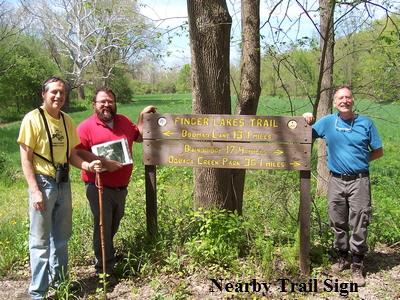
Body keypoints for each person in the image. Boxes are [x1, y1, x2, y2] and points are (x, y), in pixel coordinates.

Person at [17, 76, 102, 299]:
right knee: (40, 240)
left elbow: (72, 155)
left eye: (62, 92)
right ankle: (38, 292)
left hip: (63, 183)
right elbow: (26, 159)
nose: (58, 96)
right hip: (43, 183)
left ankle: (60, 283)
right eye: (54, 92)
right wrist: (35, 190)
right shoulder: (32, 119)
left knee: (62, 238)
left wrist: (87, 165)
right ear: (43, 94)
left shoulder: (66, 120)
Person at [75, 87, 156, 286]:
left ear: (114, 103)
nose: (106, 105)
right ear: (94, 105)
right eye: (102, 101)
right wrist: (104, 163)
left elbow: (138, 136)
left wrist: (141, 116)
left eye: (109, 101)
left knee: (113, 223)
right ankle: (104, 270)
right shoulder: (86, 127)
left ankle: (105, 254)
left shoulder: (123, 121)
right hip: (98, 185)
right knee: (103, 226)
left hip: (121, 186)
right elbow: (78, 152)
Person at [303, 86, 383, 287]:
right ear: (334, 102)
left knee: (360, 220)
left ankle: (357, 263)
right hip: (336, 180)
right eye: (340, 98)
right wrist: (306, 119)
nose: (344, 101)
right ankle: (342, 256)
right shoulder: (329, 122)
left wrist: (358, 162)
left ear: (352, 101)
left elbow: (378, 151)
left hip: (359, 180)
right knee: (337, 219)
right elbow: (306, 135)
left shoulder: (366, 123)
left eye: (348, 97)